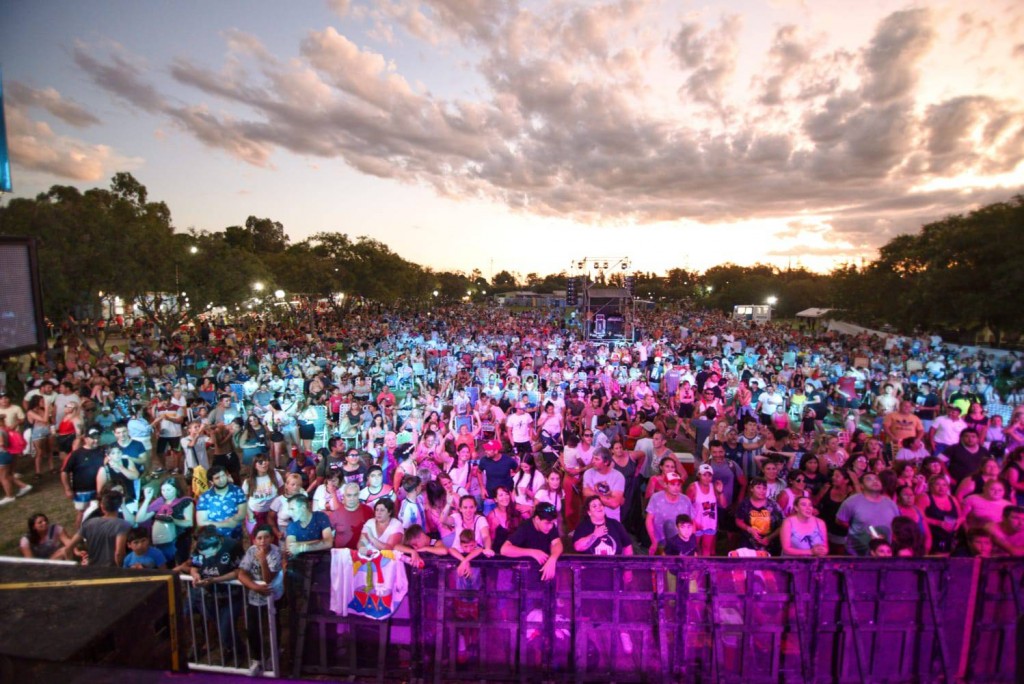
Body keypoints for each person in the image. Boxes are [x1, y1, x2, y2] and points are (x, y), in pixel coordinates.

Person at [237, 524, 284, 676]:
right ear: (254, 540)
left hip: (272, 595)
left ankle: (274, 654)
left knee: (273, 627)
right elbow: (241, 573)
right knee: (252, 628)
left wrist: (263, 560)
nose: (263, 541)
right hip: (254, 596)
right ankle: (256, 659)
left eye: (266, 537)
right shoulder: (251, 551)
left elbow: (267, 578)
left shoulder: (276, 552)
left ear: (271, 538)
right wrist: (254, 587)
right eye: (259, 538)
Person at [835, 472, 901, 556]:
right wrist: (860, 530)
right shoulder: (851, 502)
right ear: (861, 486)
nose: (875, 481)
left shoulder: (891, 504)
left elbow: (896, 524)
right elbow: (840, 520)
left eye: (877, 479)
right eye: (869, 479)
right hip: (856, 554)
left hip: (883, 555)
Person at [63, 491, 131, 567]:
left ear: (102, 506)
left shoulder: (89, 523)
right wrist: (121, 569)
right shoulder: (123, 525)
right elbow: (119, 553)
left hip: (92, 569)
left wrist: (72, 566)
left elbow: (68, 549)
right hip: (112, 570)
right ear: (119, 506)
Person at [501, 502, 562, 581]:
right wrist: (532, 552)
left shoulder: (551, 525)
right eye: (547, 523)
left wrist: (553, 559)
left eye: (552, 523)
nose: (550, 527)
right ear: (537, 519)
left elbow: (557, 543)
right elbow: (504, 549)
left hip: (543, 572)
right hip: (523, 575)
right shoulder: (525, 528)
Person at [61, 427, 106, 528]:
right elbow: (64, 472)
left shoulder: (103, 451)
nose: (96, 440)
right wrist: (67, 489)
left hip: (100, 489)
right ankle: (79, 534)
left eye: (97, 437)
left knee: (101, 511)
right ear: (85, 439)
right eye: (92, 438)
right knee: (82, 513)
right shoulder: (76, 454)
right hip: (82, 491)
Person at [196, 465, 248, 540]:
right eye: (217, 478)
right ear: (211, 482)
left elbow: (242, 514)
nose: (222, 479)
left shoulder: (237, 491)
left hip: (235, 536)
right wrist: (225, 524)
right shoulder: (205, 497)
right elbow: (201, 522)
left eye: (223, 475)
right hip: (214, 538)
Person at [734, 477, 784, 554]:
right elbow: (738, 521)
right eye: (758, 487)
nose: (762, 491)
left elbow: (783, 525)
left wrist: (769, 538)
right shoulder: (744, 504)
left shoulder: (774, 505)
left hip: (770, 546)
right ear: (751, 489)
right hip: (748, 545)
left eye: (764, 488)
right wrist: (749, 529)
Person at [582, 447, 626, 522]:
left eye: (597, 459)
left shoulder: (618, 476)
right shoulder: (588, 473)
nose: (592, 461)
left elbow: (614, 503)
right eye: (593, 458)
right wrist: (609, 497)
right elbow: (586, 494)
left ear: (606, 462)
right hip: (593, 519)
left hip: (612, 519)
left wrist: (593, 493)